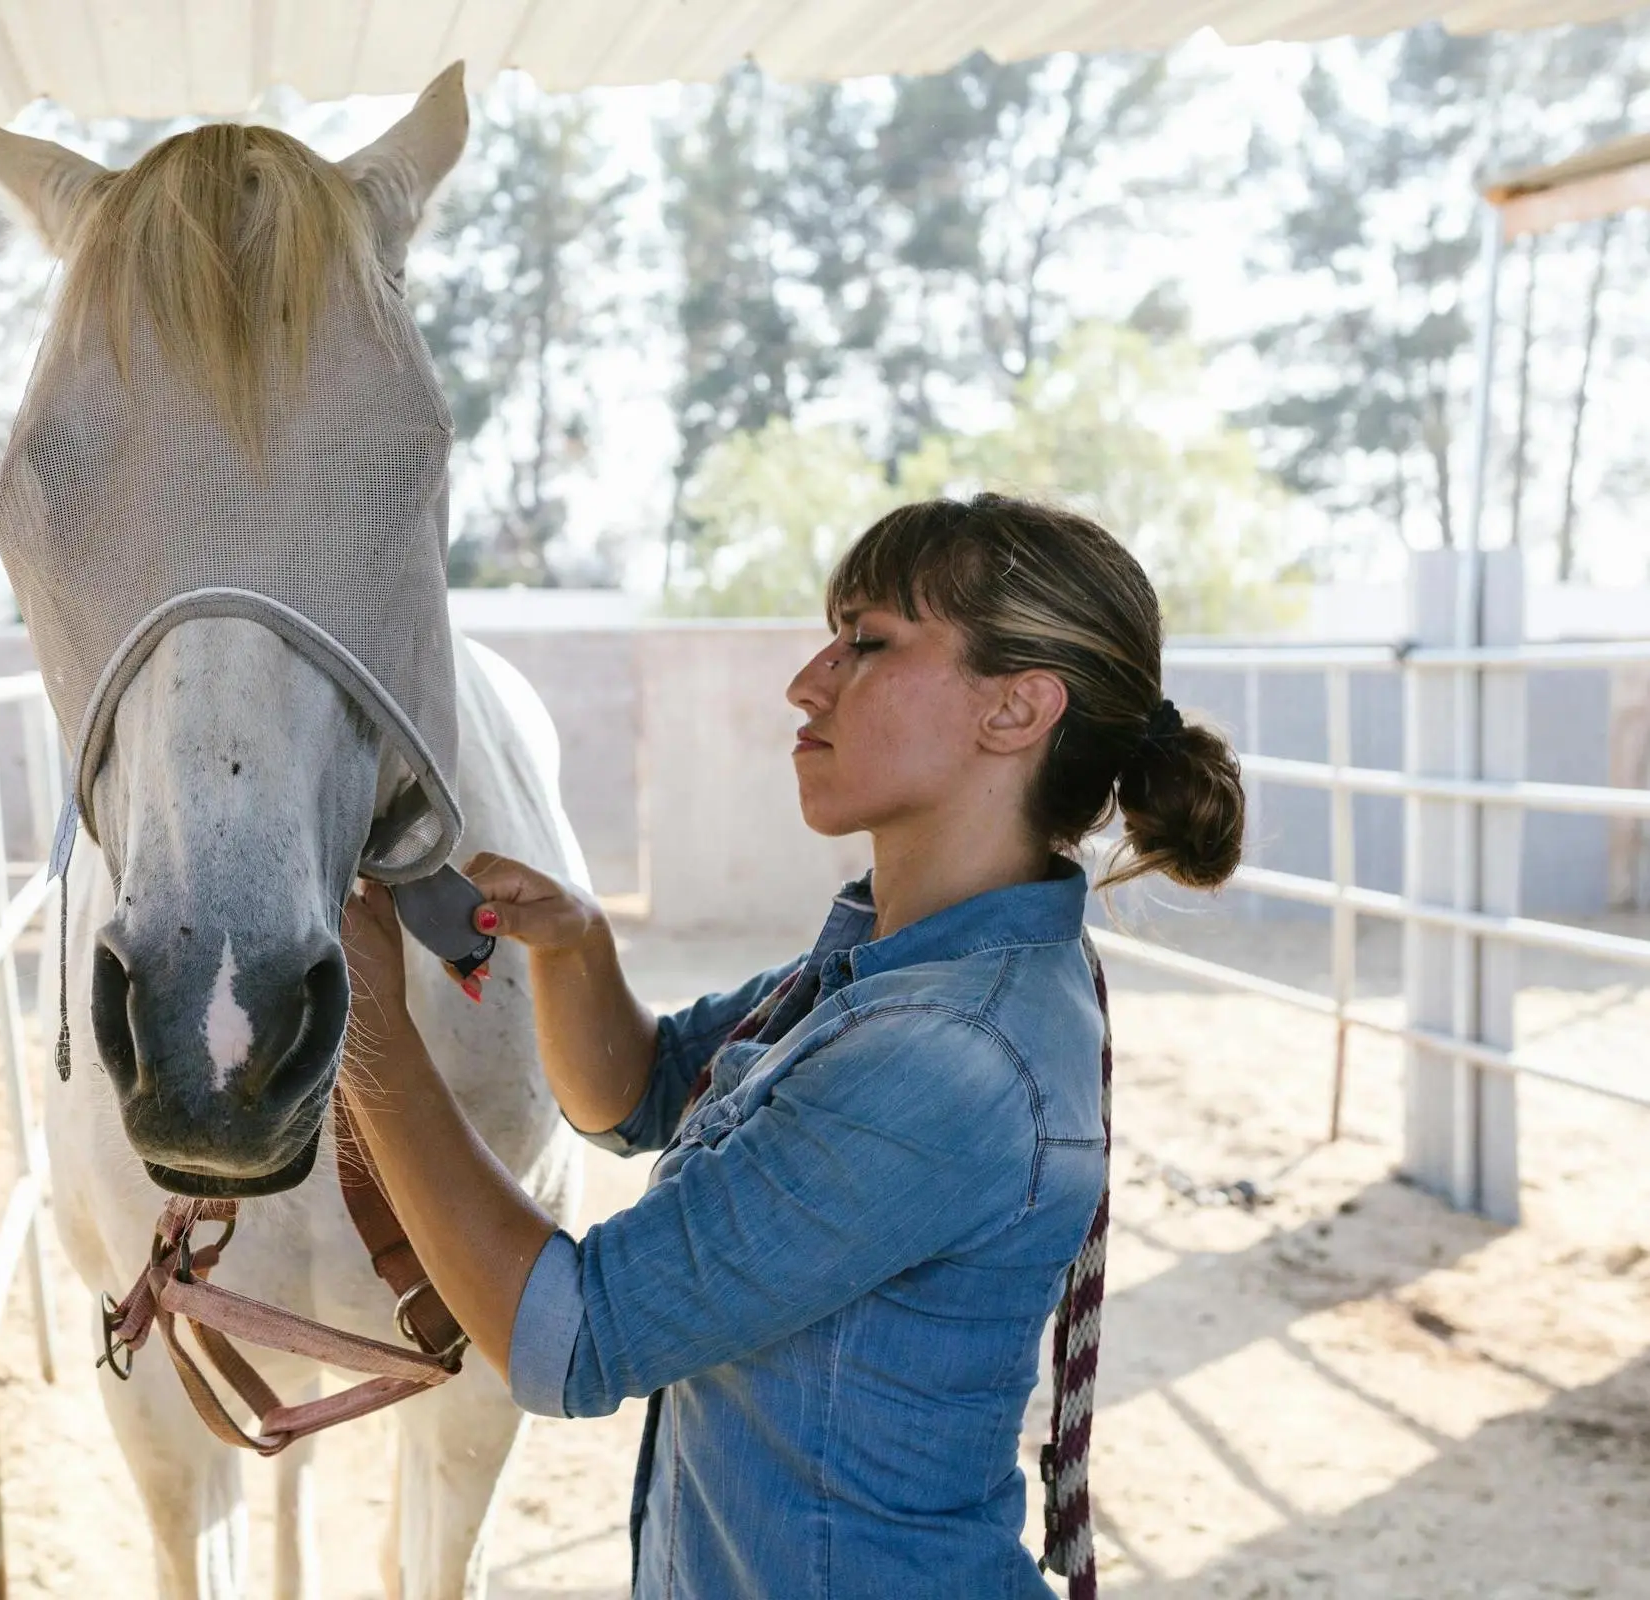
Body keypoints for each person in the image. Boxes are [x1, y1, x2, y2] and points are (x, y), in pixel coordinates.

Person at [339, 494, 1244, 1598]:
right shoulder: (905, 959)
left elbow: (564, 1335)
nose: (808, 681)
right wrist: (575, 946)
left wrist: (368, 1035)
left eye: (867, 644)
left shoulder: (946, 1053)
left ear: (1016, 710)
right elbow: (638, 1094)